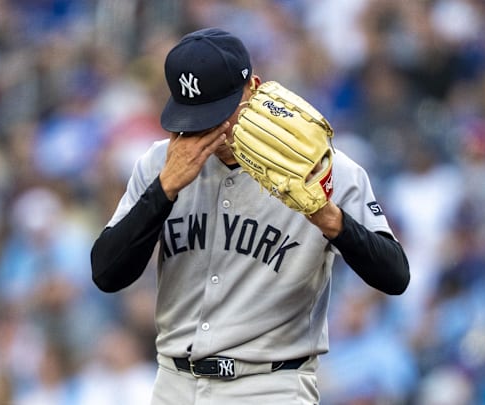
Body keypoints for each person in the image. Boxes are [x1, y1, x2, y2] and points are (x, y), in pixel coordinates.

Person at [91, 27, 410, 405]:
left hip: (270, 385)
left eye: (218, 114)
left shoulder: (322, 168)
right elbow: (107, 274)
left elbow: (395, 275)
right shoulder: (159, 165)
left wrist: (331, 220)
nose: (209, 131)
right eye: (194, 118)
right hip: (174, 383)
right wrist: (163, 191)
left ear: (253, 89)